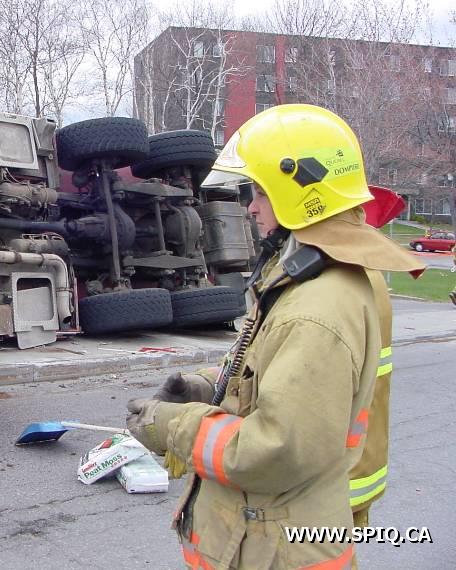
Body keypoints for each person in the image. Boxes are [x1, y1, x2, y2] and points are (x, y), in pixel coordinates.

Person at [126, 104, 424, 569]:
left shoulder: (315, 308)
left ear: (300, 193)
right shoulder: (330, 274)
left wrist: (171, 425)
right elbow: (277, 368)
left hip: (276, 546)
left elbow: (274, 449)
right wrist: (206, 386)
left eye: (261, 192)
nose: (251, 206)